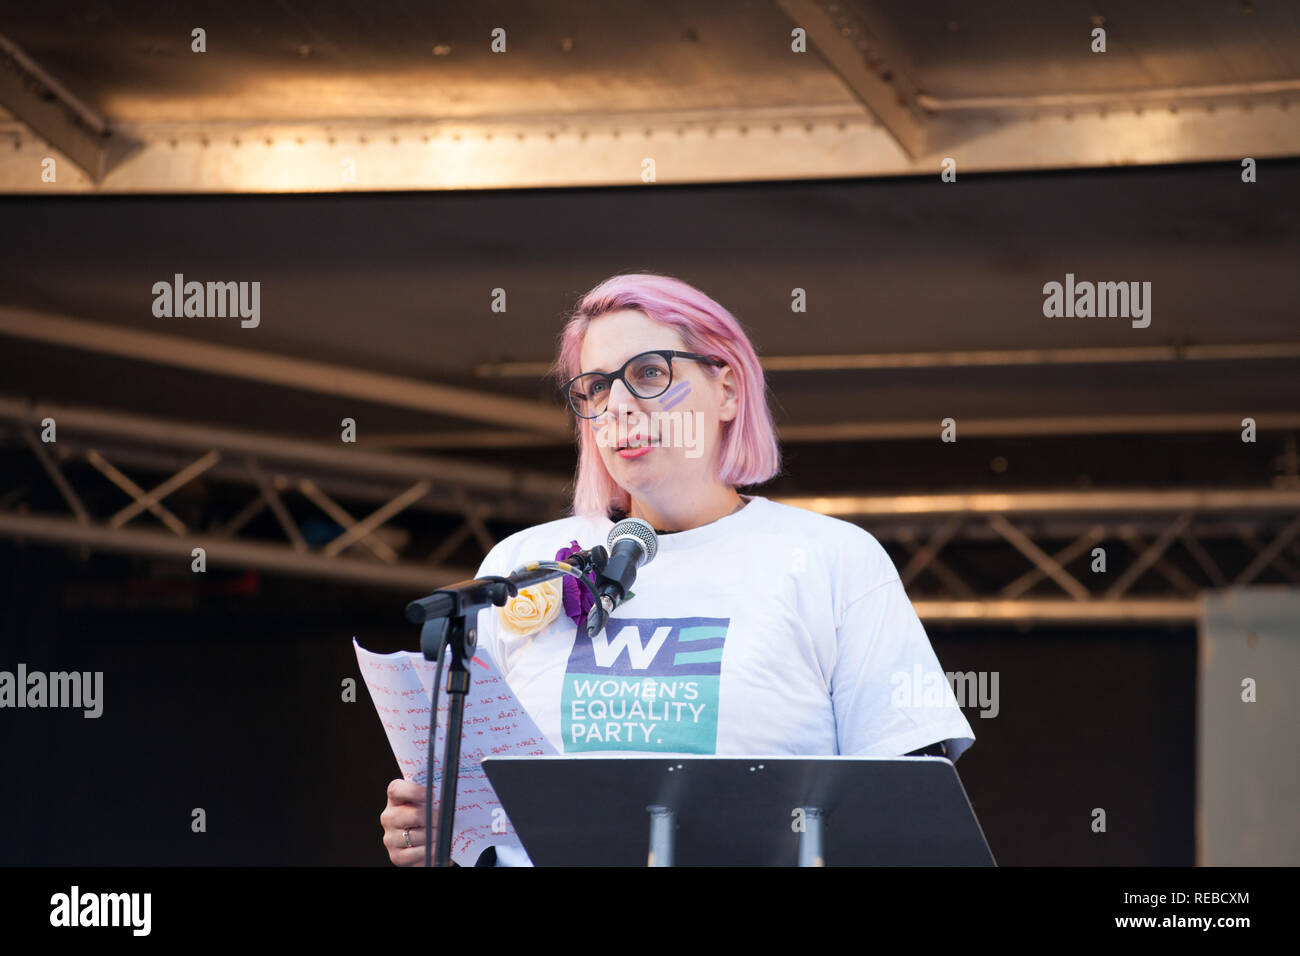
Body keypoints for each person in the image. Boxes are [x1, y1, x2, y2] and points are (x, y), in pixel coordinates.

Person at [381, 273, 974, 866]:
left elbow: (907, 809)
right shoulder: (518, 568)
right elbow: (476, 814)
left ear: (728, 391)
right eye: (593, 388)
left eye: (648, 374)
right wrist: (437, 832)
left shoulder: (832, 559)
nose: (617, 406)